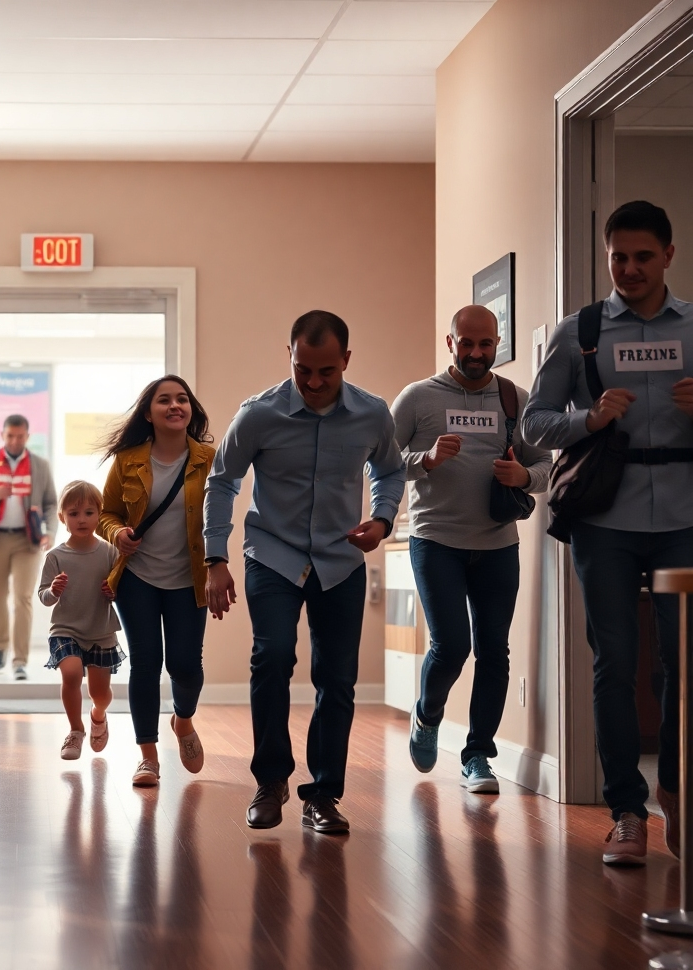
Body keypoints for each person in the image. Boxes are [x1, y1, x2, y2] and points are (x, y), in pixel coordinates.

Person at [522, 200, 693, 865]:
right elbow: (534, 425)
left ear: (669, 256)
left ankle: (677, 793)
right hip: (605, 520)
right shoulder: (581, 332)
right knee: (614, 663)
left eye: (643, 257)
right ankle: (626, 809)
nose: (628, 269)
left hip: (685, 517)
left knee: (684, 665)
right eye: (618, 257)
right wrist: (589, 420)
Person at [204, 310, 405, 833]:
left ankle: (323, 796)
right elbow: (222, 481)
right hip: (272, 553)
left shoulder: (372, 414)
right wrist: (215, 558)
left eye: (326, 372)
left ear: (346, 361)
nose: (314, 383)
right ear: (288, 357)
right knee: (271, 657)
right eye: (302, 370)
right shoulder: (258, 414)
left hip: (340, 560)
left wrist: (382, 520)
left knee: (337, 677)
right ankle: (270, 782)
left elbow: (389, 469)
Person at [391, 305, 552, 793]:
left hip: (498, 543)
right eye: (467, 343)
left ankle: (478, 754)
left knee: (494, 652)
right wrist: (427, 458)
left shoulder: (515, 400)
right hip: (435, 540)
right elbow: (379, 463)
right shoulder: (418, 398)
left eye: (486, 344)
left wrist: (524, 476)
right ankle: (428, 712)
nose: (477, 353)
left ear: (497, 343)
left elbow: (547, 465)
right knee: (451, 646)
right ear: (450, 342)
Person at [98, 375, 215, 787]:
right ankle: (147, 756)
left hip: (190, 579)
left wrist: (220, 565)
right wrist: (117, 534)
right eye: (164, 400)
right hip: (137, 580)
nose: (174, 406)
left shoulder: (209, 459)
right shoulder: (128, 460)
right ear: (148, 413)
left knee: (185, 665)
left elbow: (220, 517)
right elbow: (106, 513)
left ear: (191, 410)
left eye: (182, 399)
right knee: (145, 664)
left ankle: (183, 722)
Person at [38, 481, 125, 760]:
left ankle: (98, 715)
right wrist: (54, 590)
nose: (82, 519)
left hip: (101, 631)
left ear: (99, 515)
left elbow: (122, 590)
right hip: (65, 629)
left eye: (89, 512)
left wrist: (114, 591)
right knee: (72, 673)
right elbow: (43, 596)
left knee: (101, 693)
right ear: (62, 517)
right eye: (74, 514)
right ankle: (76, 730)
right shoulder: (55, 556)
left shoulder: (110, 552)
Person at [0, 414, 57, 678]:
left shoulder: (39, 465)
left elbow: (52, 503)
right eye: (10, 436)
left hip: (26, 540)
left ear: (27, 437)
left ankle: (20, 660)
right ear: (2, 435)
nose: (15, 441)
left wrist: (50, 531)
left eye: (20, 436)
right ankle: (0, 647)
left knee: (23, 598)